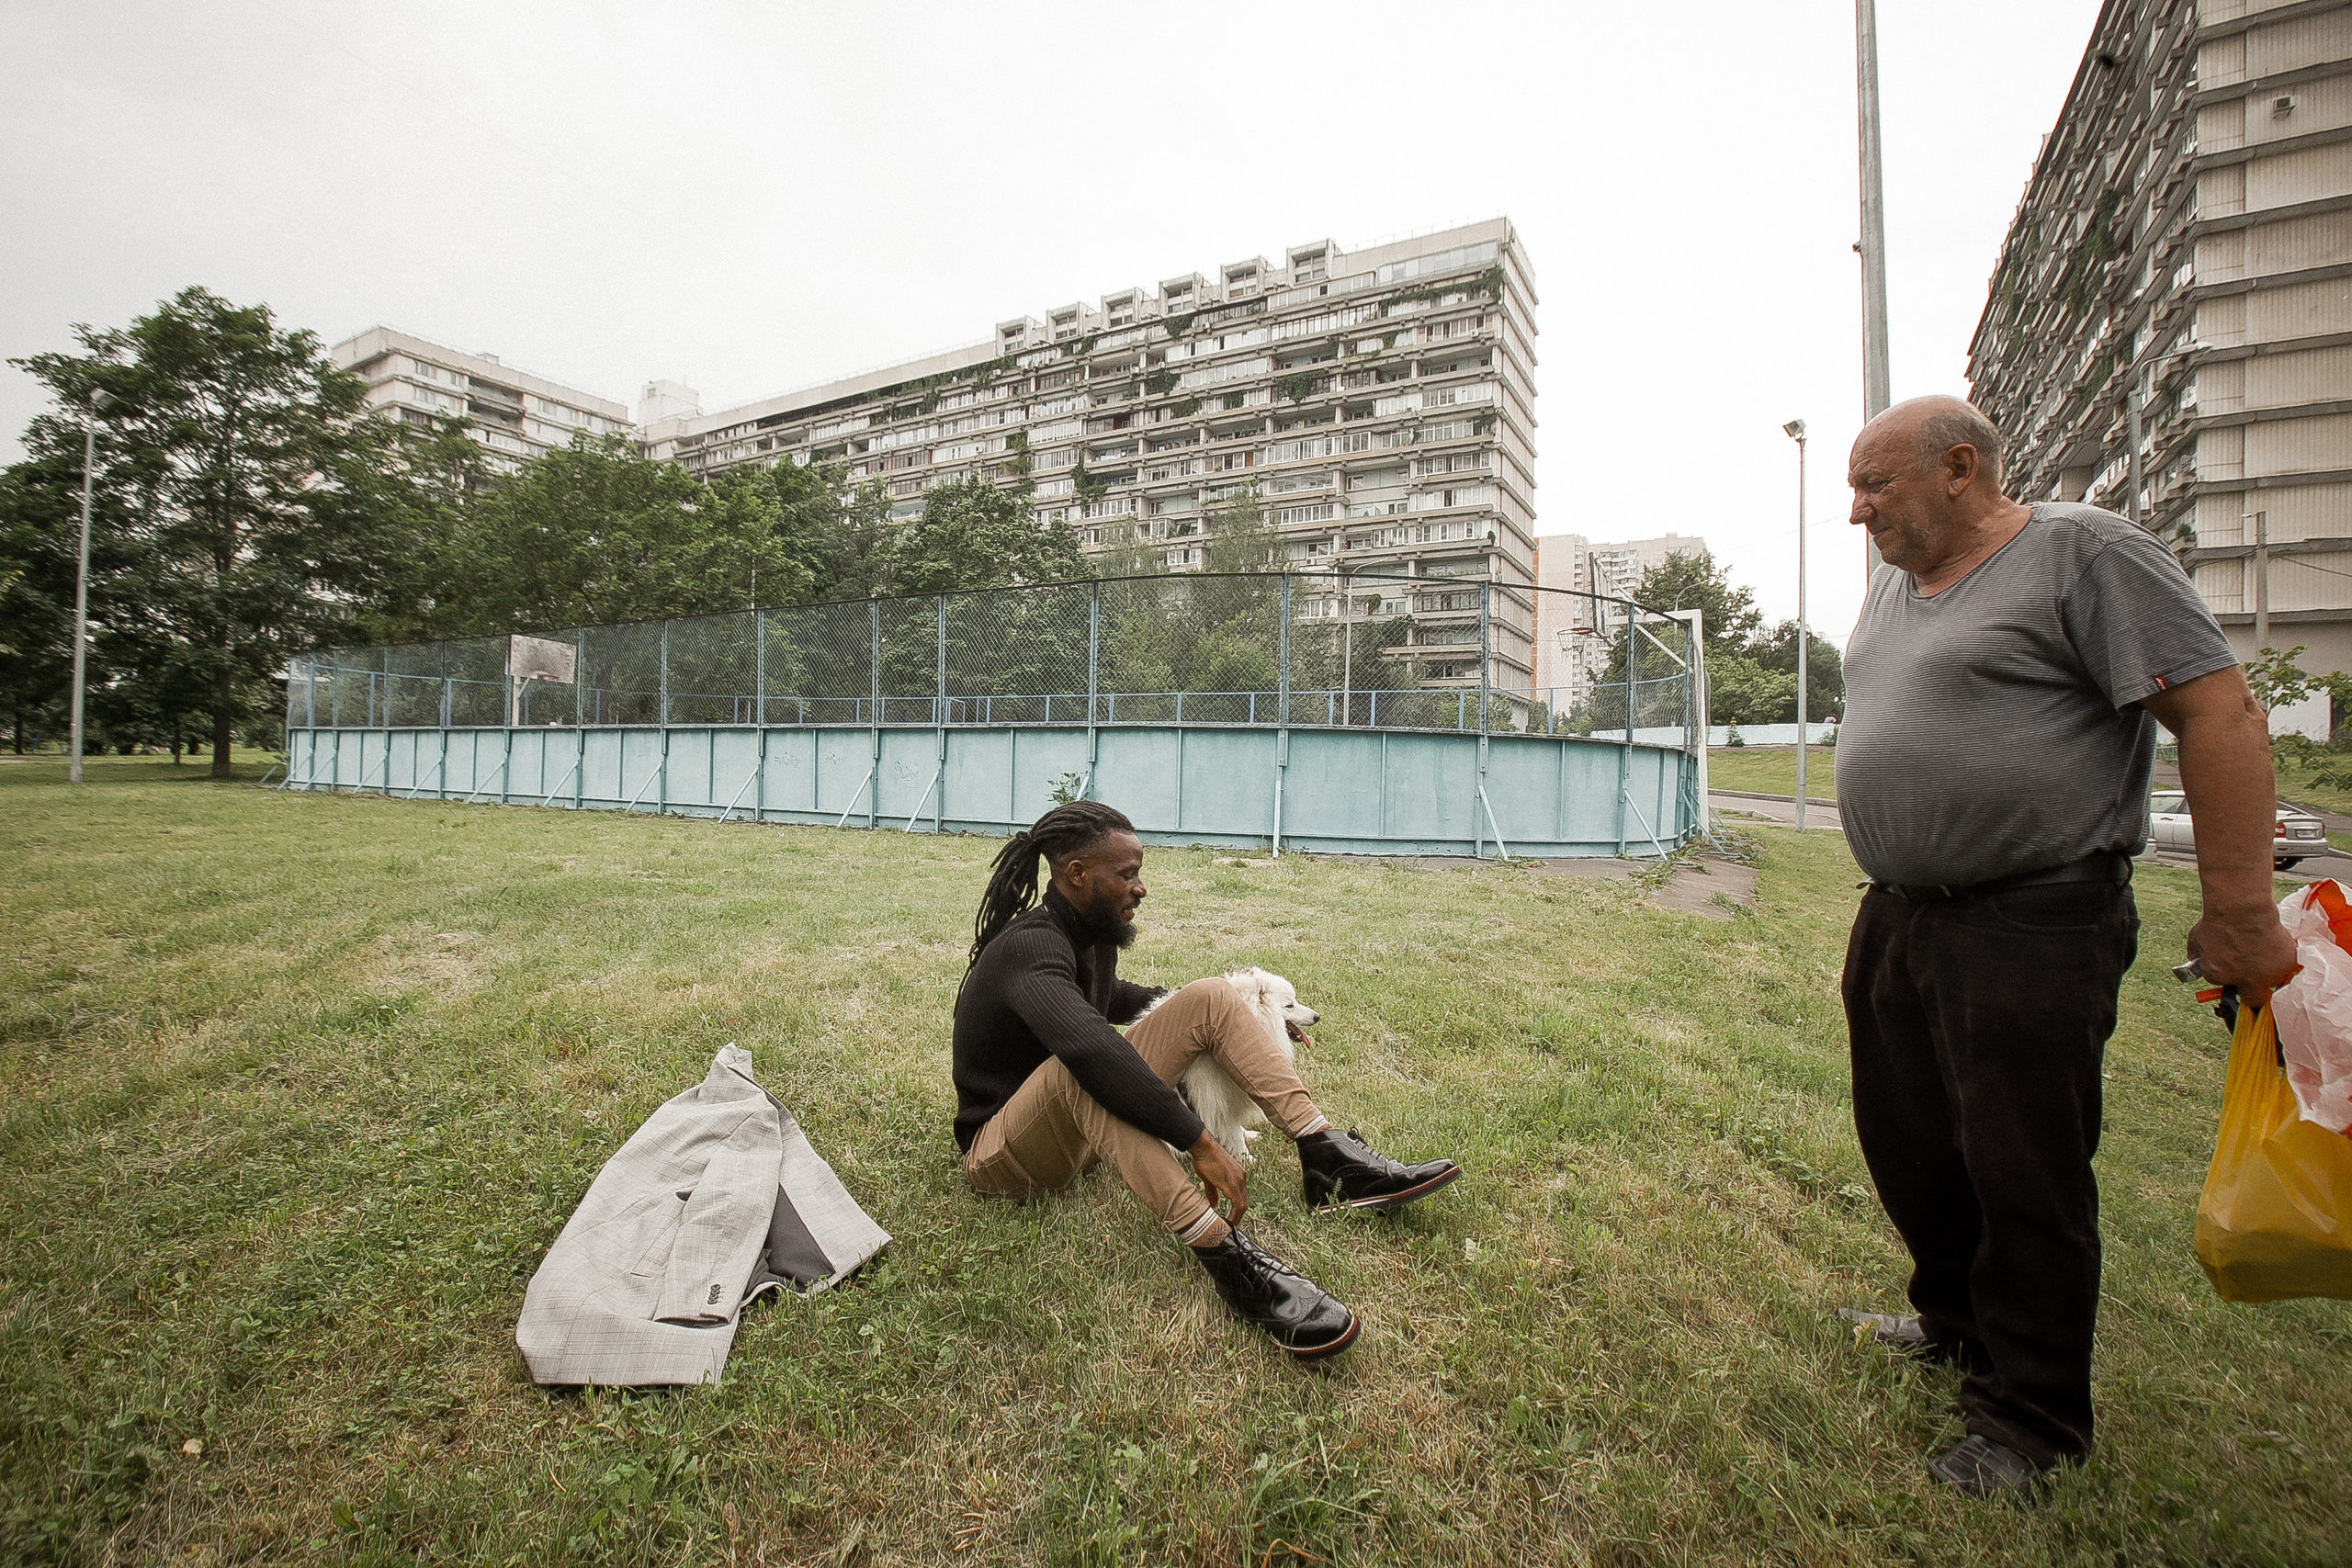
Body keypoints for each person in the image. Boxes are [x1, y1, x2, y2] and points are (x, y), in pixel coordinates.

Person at [1832, 396, 2298, 1496]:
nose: (1856, 513)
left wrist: (2239, 905)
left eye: (1874, 485)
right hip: (1902, 912)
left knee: (2021, 1168)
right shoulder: (1898, 586)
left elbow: (2219, 715)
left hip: (2033, 916)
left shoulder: (2085, 552)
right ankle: (1953, 1327)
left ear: (1959, 467)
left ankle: (2033, 1418)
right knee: (1912, 1146)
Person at [952, 801, 1462, 1358]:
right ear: (1077, 874)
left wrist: (1217, 1018)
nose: (1140, 887)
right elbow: (1089, 1049)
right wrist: (1199, 1141)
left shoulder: (1088, 934)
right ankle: (1225, 1253)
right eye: (1127, 874)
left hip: (1075, 1134)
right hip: (1001, 1157)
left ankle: (1326, 1154)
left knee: (1211, 995)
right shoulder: (1030, 947)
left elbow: (1112, 1000)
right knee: (1081, 1068)